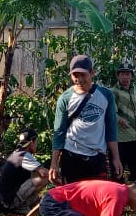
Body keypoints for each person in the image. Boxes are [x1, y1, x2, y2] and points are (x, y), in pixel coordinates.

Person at [49, 55, 121, 185]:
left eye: (83, 75)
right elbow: (59, 132)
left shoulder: (106, 95)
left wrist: (116, 158)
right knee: (73, 200)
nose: (79, 79)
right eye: (75, 75)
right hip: (72, 157)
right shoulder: (65, 99)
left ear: (92, 73)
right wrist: (54, 163)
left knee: (96, 199)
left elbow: (111, 128)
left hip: (97, 158)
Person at [0, 128, 50, 213]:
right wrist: (60, 180)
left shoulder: (16, 153)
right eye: (36, 142)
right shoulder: (24, 156)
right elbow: (44, 172)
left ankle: (24, 203)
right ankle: (21, 206)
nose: (36, 145)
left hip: (2, 199)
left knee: (36, 173)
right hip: (8, 201)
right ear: (31, 142)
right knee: (44, 177)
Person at [112, 62, 136, 181]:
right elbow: (111, 112)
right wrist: (119, 119)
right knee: (118, 174)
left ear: (132, 76)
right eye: (122, 74)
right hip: (120, 138)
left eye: (128, 74)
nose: (125, 77)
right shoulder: (113, 92)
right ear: (118, 76)